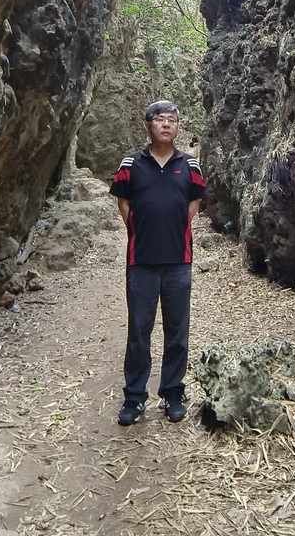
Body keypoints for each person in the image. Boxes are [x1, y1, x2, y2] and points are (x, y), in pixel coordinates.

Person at [110, 100, 206, 425]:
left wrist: (180, 226)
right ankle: (135, 398)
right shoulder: (130, 163)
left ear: (179, 126)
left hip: (179, 260)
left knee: (177, 330)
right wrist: (136, 228)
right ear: (148, 125)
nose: (166, 125)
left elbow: (194, 200)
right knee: (139, 330)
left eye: (172, 120)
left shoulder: (189, 165)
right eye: (159, 120)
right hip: (141, 262)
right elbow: (123, 200)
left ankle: (172, 393)